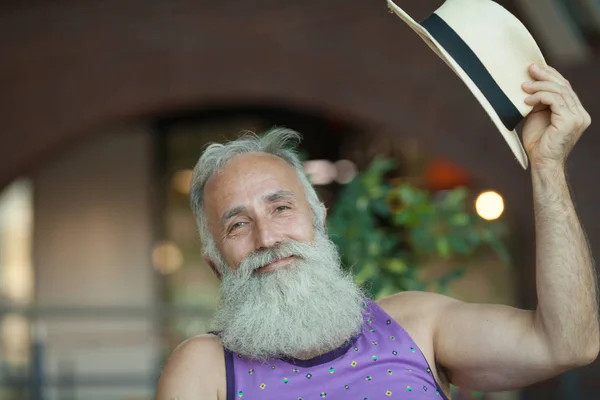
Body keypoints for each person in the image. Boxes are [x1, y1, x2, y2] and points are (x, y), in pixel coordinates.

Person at [156, 63, 598, 399]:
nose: (267, 237)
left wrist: (547, 166)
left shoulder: (417, 324)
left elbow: (567, 344)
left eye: (281, 208)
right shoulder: (205, 368)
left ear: (319, 221)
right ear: (215, 263)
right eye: (237, 225)